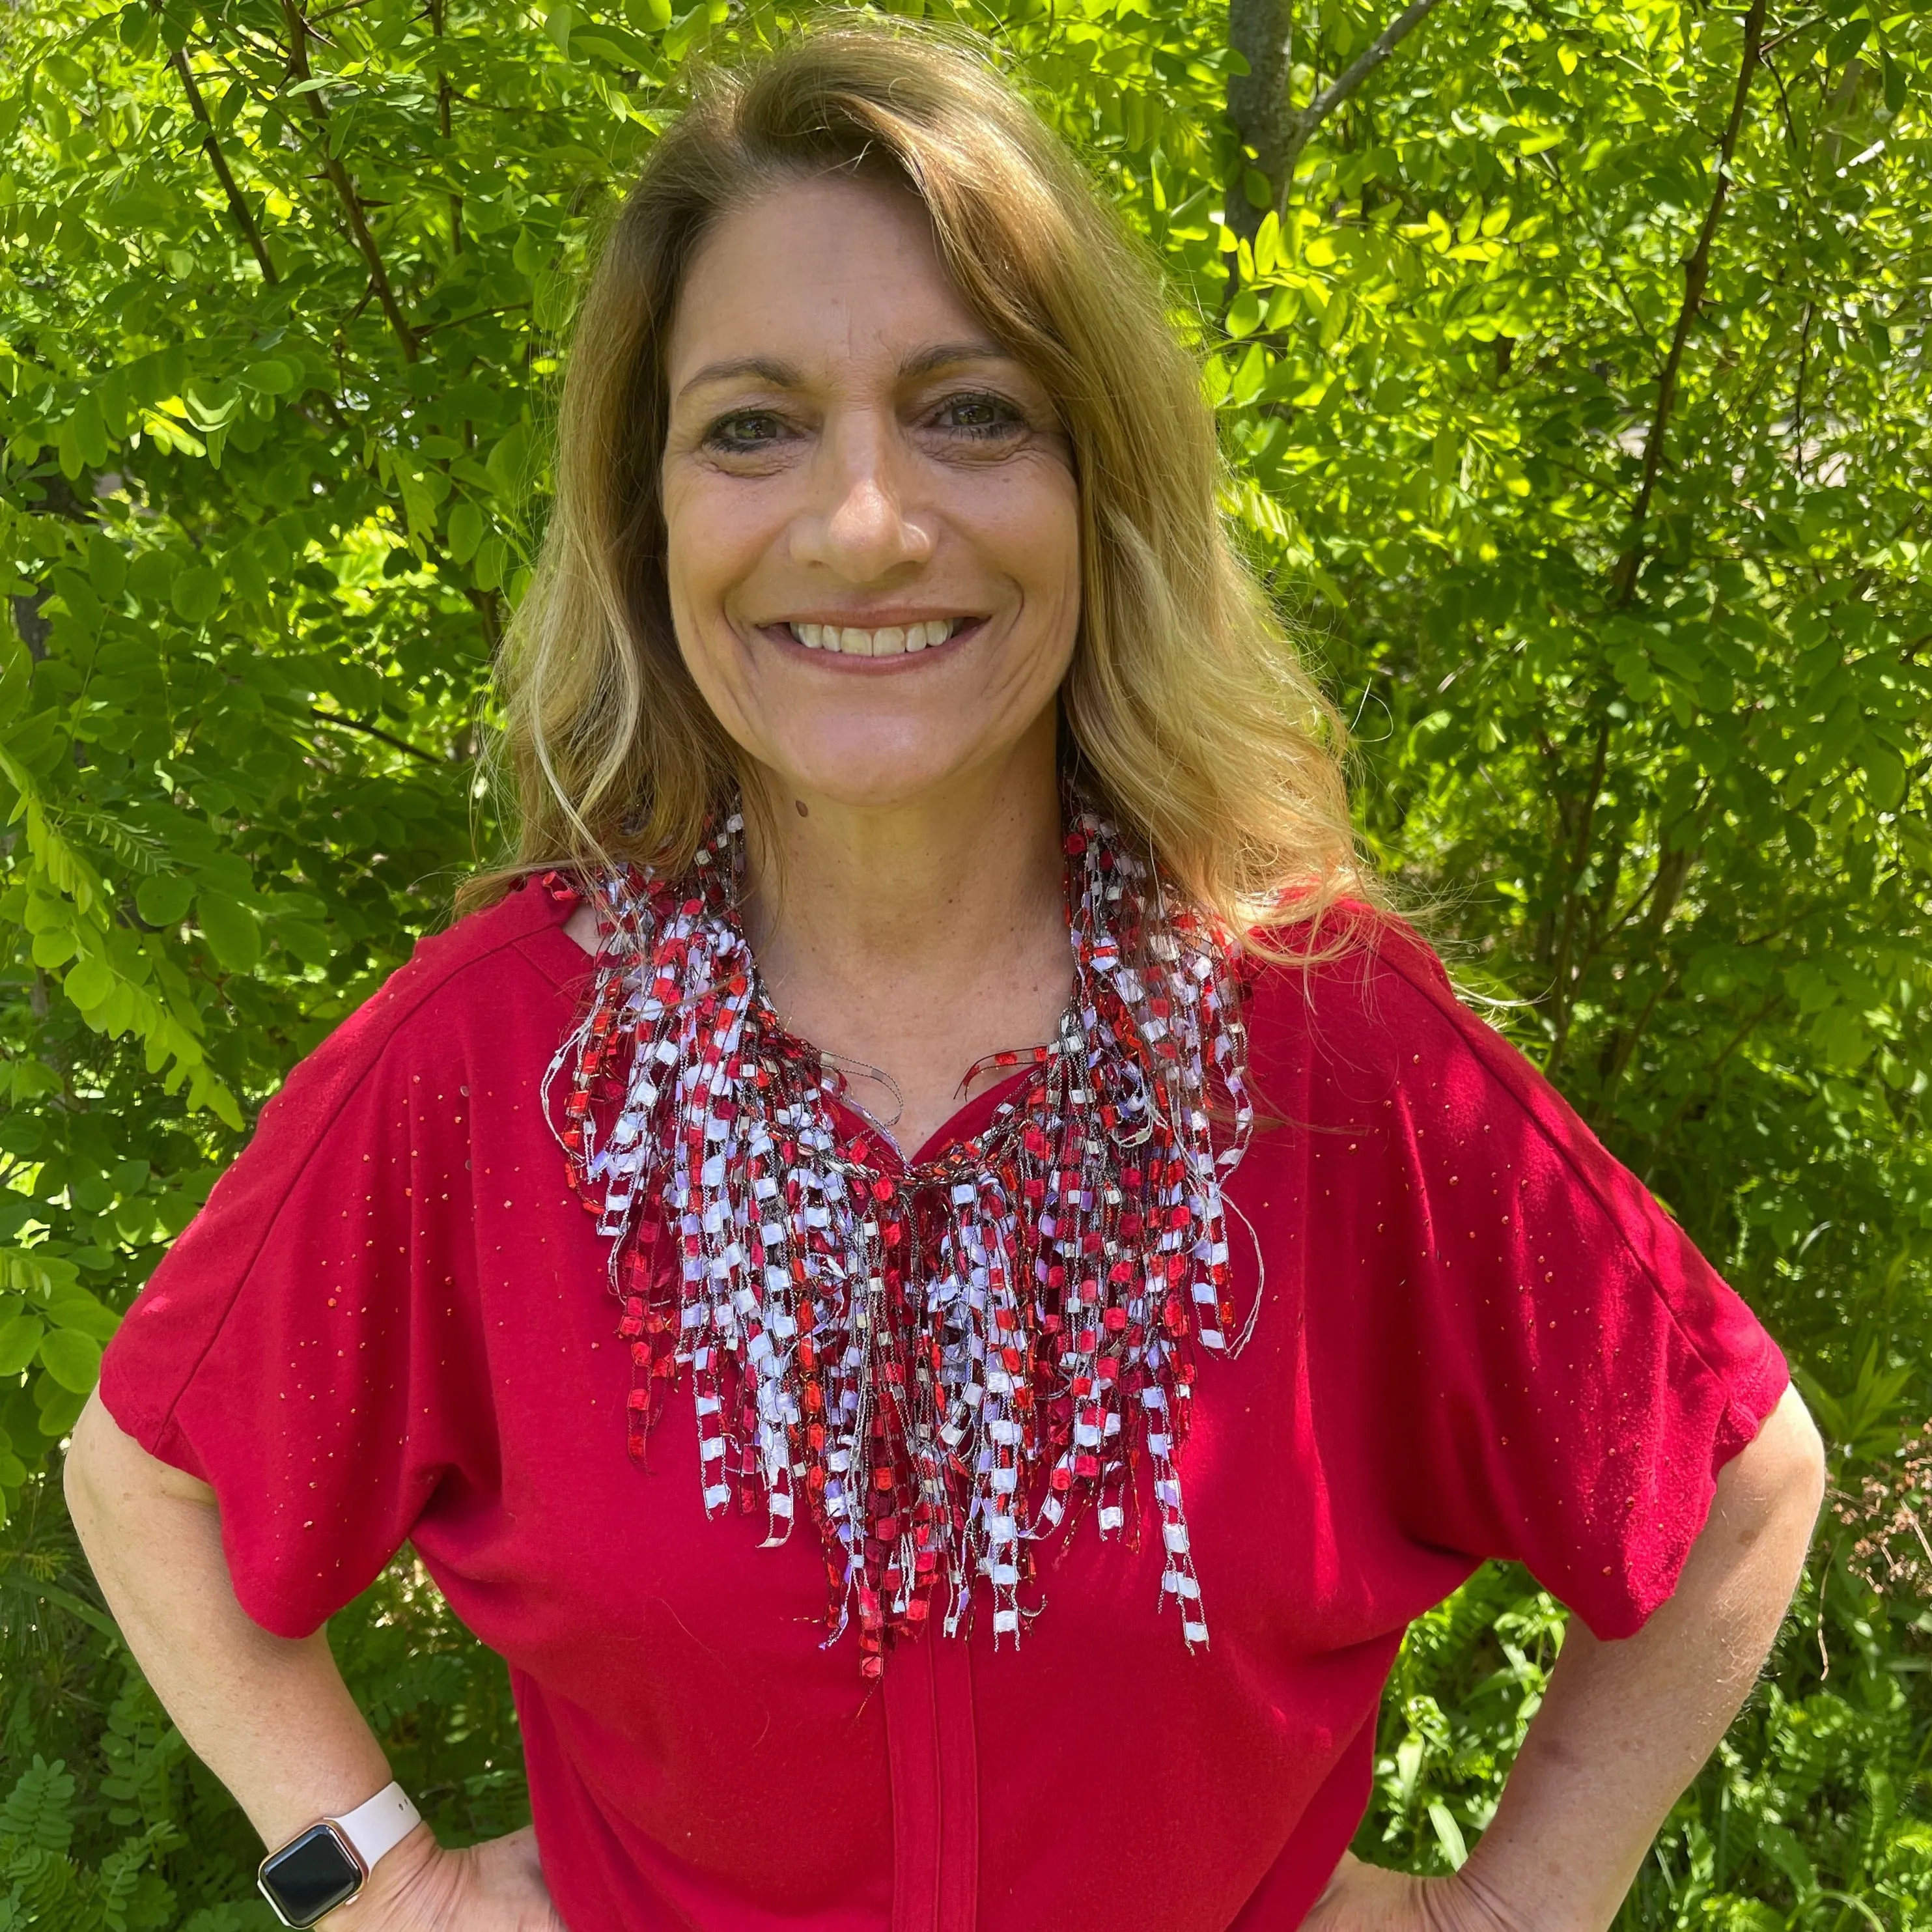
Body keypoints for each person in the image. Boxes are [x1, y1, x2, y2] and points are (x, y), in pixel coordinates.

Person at [64, 21, 1824, 1932]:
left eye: (968, 409)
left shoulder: (1318, 1045)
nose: (864, 522)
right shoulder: (508, 1057)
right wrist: (383, 1889)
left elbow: (1731, 1472)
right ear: (649, 519)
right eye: (751, 425)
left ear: (1100, 486)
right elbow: (148, 1475)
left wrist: (1507, 1911)